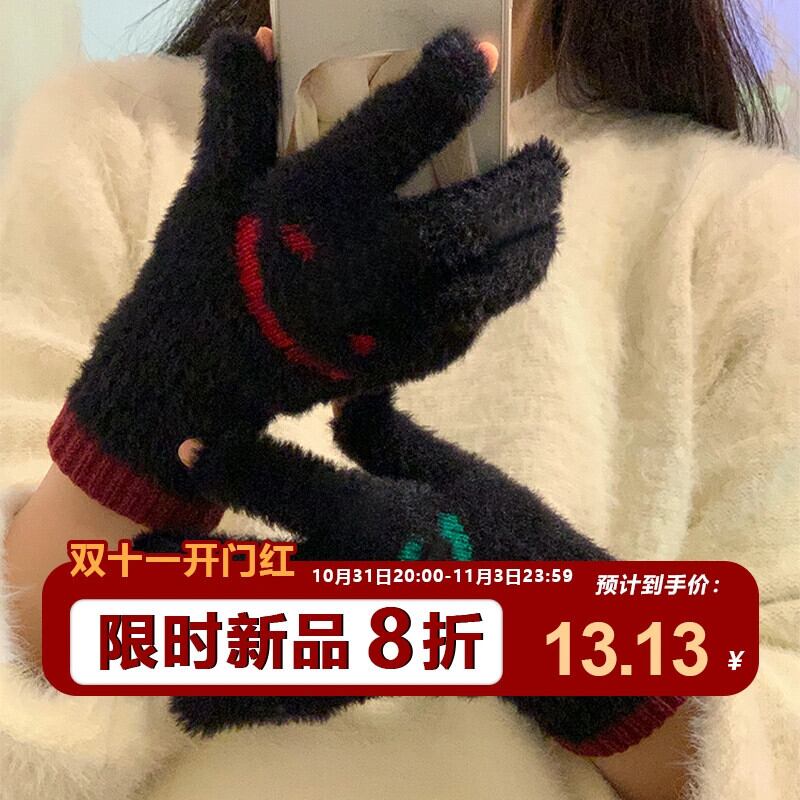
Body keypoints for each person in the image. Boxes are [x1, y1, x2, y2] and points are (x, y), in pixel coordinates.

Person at [0, 1, 797, 799]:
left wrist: (537, 621)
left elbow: (779, 738)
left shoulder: (740, 222)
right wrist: (142, 413)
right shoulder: (108, 139)